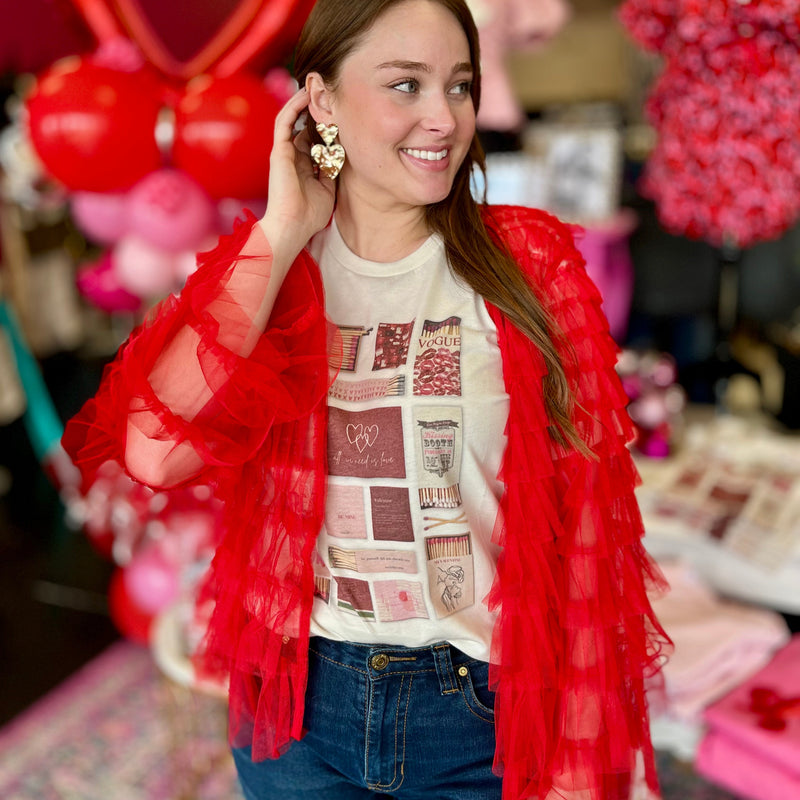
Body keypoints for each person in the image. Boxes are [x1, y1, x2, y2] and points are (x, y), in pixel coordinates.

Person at [63, 1, 670, 798]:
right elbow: (152, 449)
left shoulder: (531, 266)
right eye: (405, 85)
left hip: (480, 714)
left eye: (458, 85)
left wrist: (584, 765)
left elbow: (591, 530)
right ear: (320, 101)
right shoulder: (271, 272)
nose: (443, 118)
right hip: (299, 711)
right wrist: (283, 231)